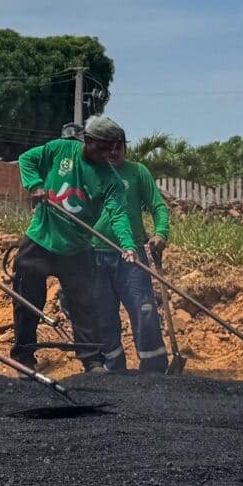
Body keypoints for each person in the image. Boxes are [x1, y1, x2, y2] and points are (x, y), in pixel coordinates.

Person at [10, 115, 132, 373]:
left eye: (112, 149)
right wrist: (36, 185)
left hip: (77, 248)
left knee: (85, 306)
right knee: (27, 301)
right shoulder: (61, 149)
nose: (107, 154)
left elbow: (119, 214)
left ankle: (92, 360)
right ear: (88, 140)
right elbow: (26, 159)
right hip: (41, 238)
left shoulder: (110, 179)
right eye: (102, 147)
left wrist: (128, 245)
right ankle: (24, 358)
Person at [88, 124, 172, 374]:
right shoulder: (90, 173)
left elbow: (158, 206)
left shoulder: (137, 172)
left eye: (119, 147)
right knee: (103, 315)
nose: (114, 152)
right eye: (108, 148)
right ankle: (114, 370)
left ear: (126, 147)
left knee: (144, 309)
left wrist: (160, 233)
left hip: (132, 255)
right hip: (94, 255)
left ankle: (153, 368)